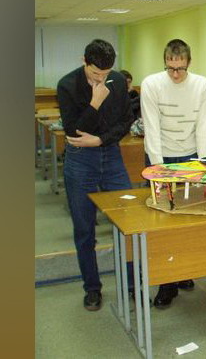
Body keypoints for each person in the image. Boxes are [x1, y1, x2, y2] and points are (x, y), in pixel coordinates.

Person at [57, 39, 134, 311]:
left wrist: (101, 140)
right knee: (84, 229)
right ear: (84, 61)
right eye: (95, 73)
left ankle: (132, 284)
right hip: (80, 161)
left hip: (111, 155)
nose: (101, 79)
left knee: (129, 221)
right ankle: (92, 288)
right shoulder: (67, 85)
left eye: (105, 73)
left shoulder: (117, 81)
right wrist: (95, 103)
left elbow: (126, 121)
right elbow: (74, 131)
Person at [140, 38, 206, 308]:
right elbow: (151, 127)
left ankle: (184, 272)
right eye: (170, 68)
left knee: (191, 220)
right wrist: (159, 171)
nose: (175, 74)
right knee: (162, 222)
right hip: (161, 156)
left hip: (191, 156)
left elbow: (205, 125)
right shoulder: (151, 84)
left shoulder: (201, 85)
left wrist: (204, 167)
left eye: (180, 68)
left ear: (189, 63)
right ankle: (166, 283)